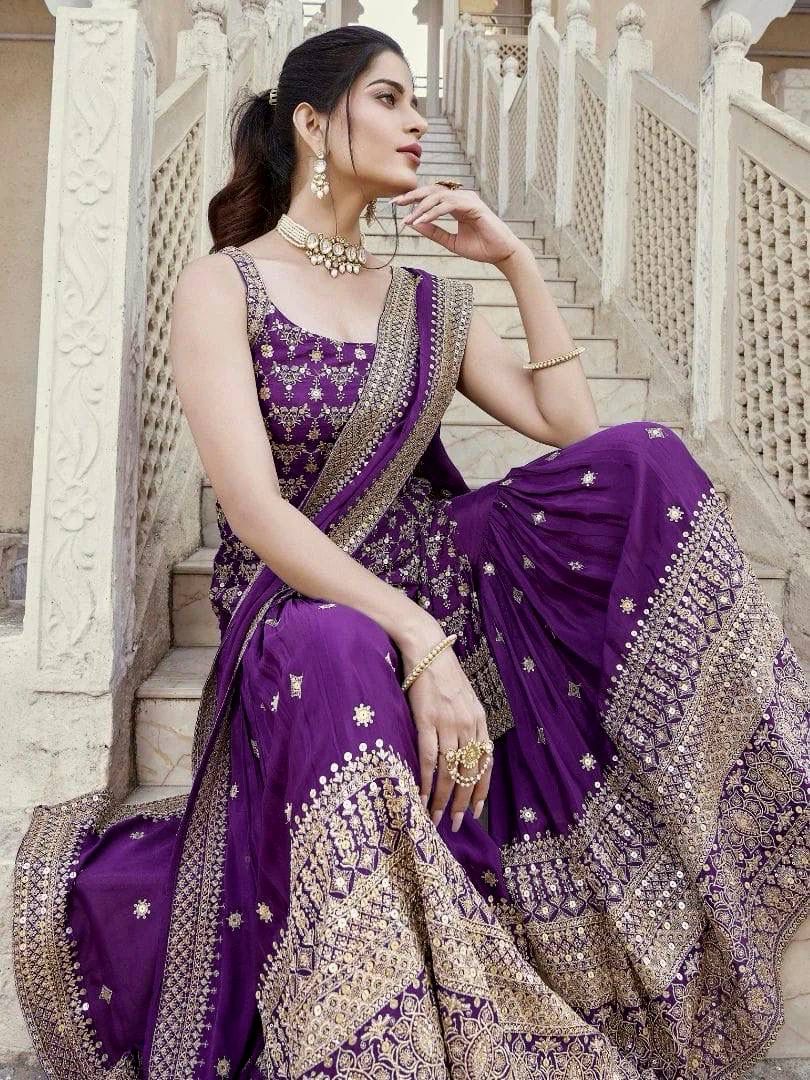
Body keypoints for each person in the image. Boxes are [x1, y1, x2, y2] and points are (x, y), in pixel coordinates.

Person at [12, 24, 809, 1080]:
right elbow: (255, 511)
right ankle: (374, 1021)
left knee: (645, 458)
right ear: (312, 122)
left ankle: (748, 792)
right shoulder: (226, 285)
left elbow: (570, 425)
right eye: (387, 98)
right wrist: (417, 638)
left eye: (415, 101)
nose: (416, 120)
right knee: (341, 649)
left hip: (440, 568)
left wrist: (513, 259)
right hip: (304, 600)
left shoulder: (427, 299)